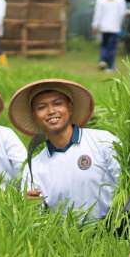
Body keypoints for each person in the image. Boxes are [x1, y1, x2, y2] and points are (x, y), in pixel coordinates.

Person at [9, 78, 120, 221]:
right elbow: (38, 216)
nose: (51, 111)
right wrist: (32, 205)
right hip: (68, 234)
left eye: (57, 103)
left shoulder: (103, 141)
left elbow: (128, 185)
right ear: (34, 116)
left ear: (70, 107)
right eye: (41, 107)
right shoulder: (34, 168)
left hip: (118, 228)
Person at [92, 0, 127, 73]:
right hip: (115, 27)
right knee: (112, 47)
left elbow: (97, 13)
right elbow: (122, 14)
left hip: (104, 27)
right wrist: (120, 24)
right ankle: (110, 66)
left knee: (104, 45)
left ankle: (103, 61)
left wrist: (95, 25)